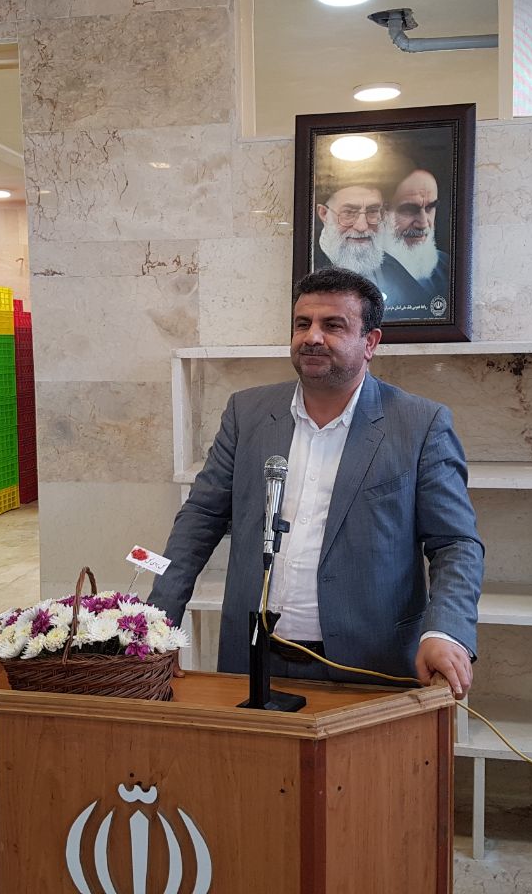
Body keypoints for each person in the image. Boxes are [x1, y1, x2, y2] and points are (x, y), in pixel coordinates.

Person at [148, 268, 484, 695]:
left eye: (333, 325)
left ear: (370, 342)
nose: (312, 337)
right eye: (302, 324)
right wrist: (158, 622)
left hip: (371, 664)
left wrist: (446, 630)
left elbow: (456, 543)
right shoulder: (246, 413)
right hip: (251, 662)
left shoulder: (420, 424)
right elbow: (200, 517)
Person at [312, 182, 435, 320]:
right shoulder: (308, 265)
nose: (362, 226)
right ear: (324, 214)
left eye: (372, 212)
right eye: (349, 213)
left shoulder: (391, 266)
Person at [383, 168, 450, 320]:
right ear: (383, 212)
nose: (424, 223)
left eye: (430, 207)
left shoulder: (446, 266)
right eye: (409, 209)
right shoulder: (360, 271)